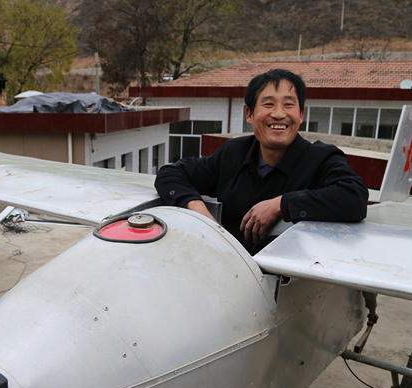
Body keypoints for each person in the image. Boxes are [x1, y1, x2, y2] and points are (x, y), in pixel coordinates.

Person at [155, 69, 368, 254]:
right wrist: (199, 213)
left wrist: (281, 204)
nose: (278, 114)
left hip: (295, 288)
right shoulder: (233, 153)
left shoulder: (322, 159)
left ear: (301, 114)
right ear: (249, 114)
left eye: (288, 105)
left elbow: (354, 197)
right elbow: (170, 174)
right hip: (233, 275)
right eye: (268, 104)